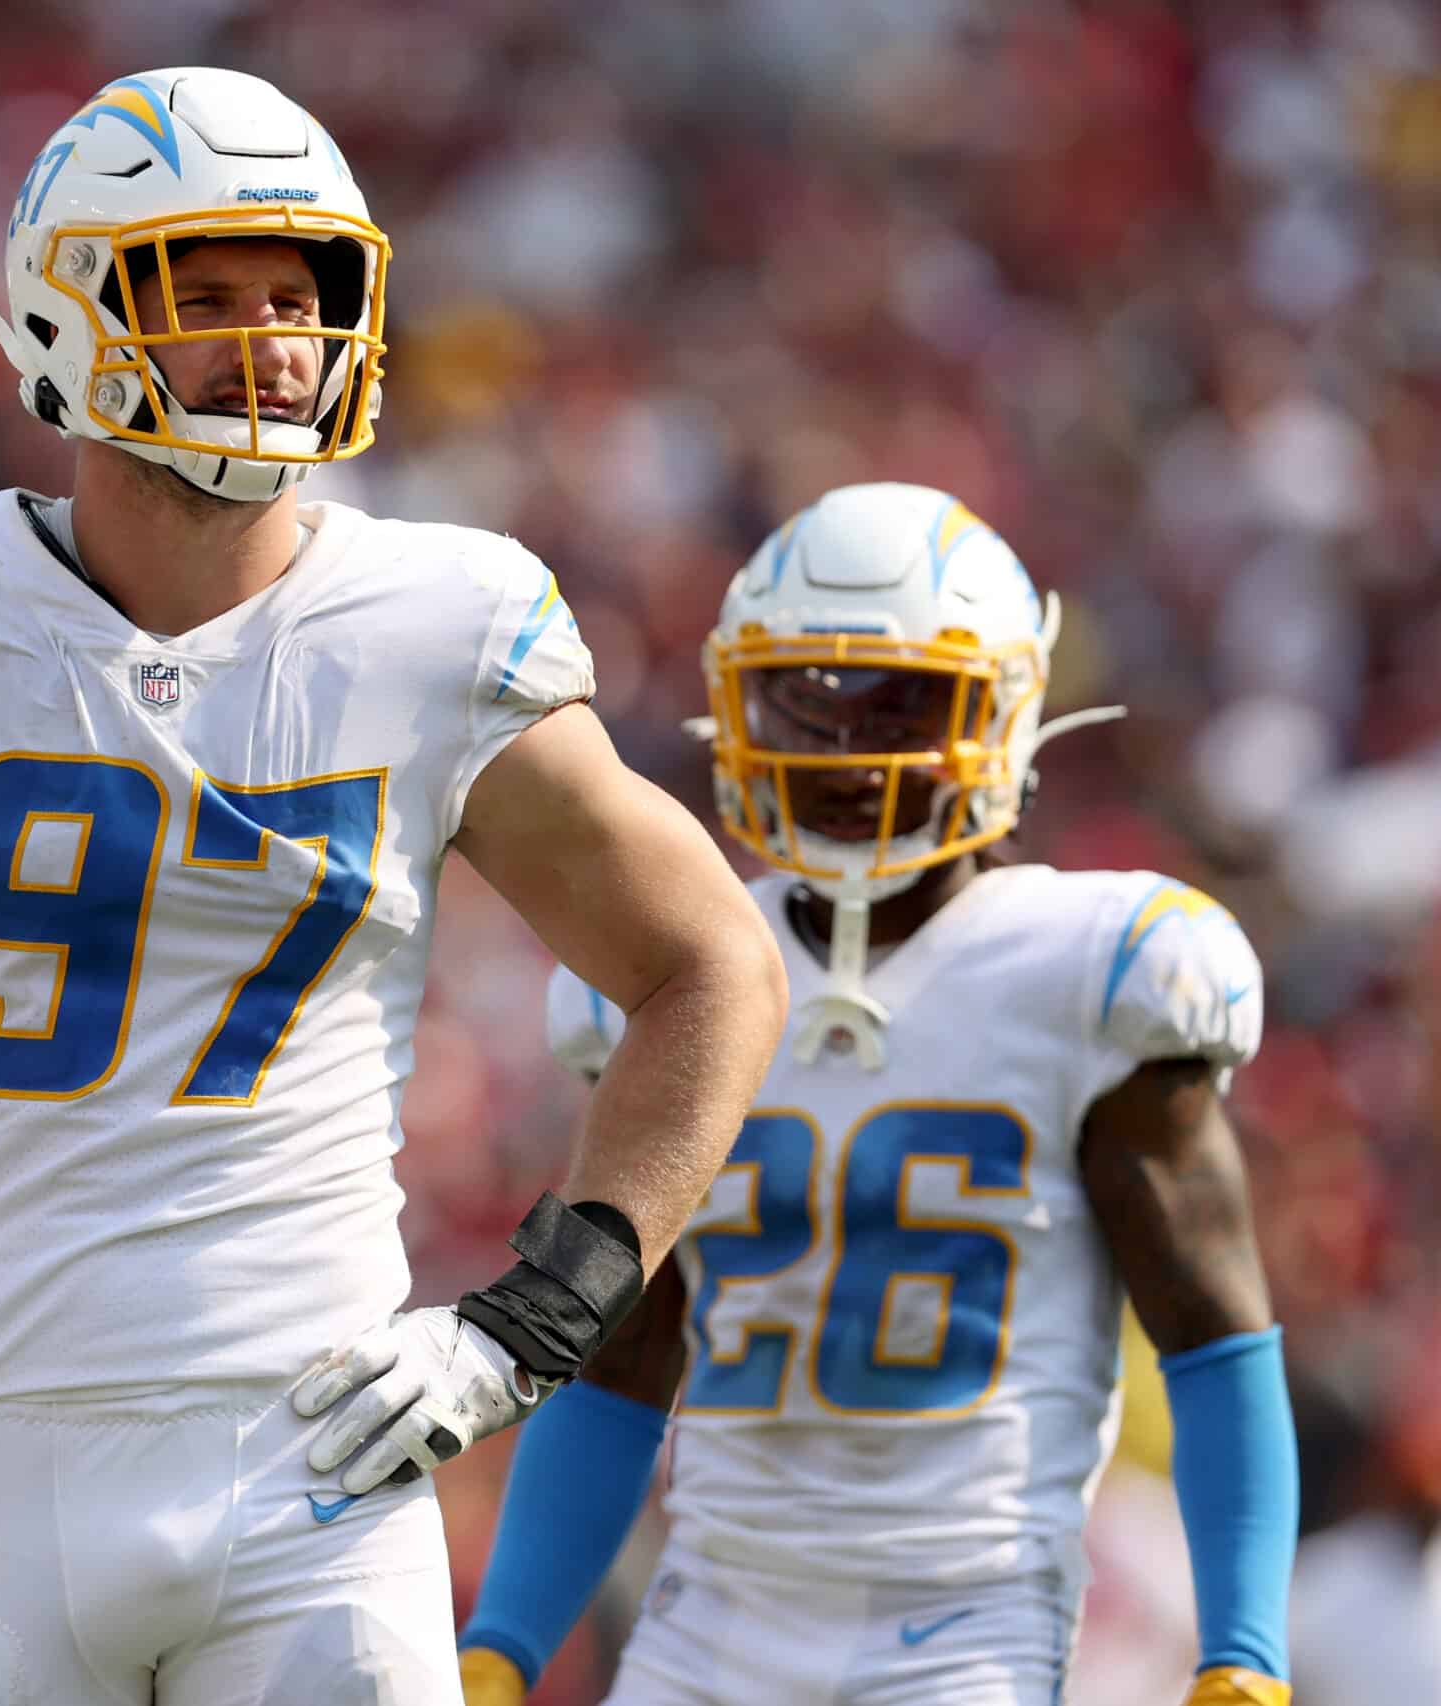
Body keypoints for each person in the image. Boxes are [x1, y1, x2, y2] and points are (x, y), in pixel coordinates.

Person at [0, 66, 789, 1706]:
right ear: (64, 307)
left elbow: (715, 965)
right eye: (201, 292)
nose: (270, 338)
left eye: (300, 292)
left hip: (315, 1482)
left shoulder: (438, 620)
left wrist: (534, 1317)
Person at [455, 484, 1299, 1706]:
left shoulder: (1097, 968)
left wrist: (1245, 1649)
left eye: (904, 700)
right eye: (806, 698)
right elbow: (620, 1356)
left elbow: (1216, 1336)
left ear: (1002, 710)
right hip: (712, 1615)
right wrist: (506, 1639)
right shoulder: (687, 966)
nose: (848, 748)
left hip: (967, 1627)